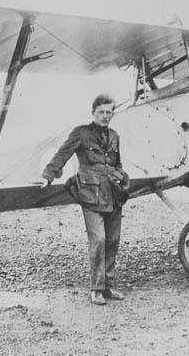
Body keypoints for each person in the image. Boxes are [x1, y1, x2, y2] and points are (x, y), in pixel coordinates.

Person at [37, 94, 130, 305]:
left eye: (109, 112)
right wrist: (48, 175)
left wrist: (122, 180)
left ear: (112, 113)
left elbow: (117, 163)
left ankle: (108, 286)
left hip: (113, 193)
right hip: (90, 194)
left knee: (113, 241)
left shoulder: (114, 136)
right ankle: (96, 289)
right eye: (101, 112)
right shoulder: (81, 133)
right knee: (98, 240)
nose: (105, 116)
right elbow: (63, 154)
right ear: (93, 113)